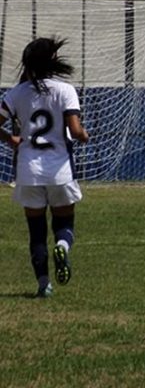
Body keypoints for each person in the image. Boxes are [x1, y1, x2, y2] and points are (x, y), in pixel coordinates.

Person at [0, 37, 89, 298]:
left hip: (28, 171)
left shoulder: (16, 93)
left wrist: (11, 139)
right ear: (53, 62)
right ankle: (62, 245)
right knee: (64, 222)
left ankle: (43, 285)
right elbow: (74, 129)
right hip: (60, 170)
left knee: (36, 232)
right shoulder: (65, 90)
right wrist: (83, 135)